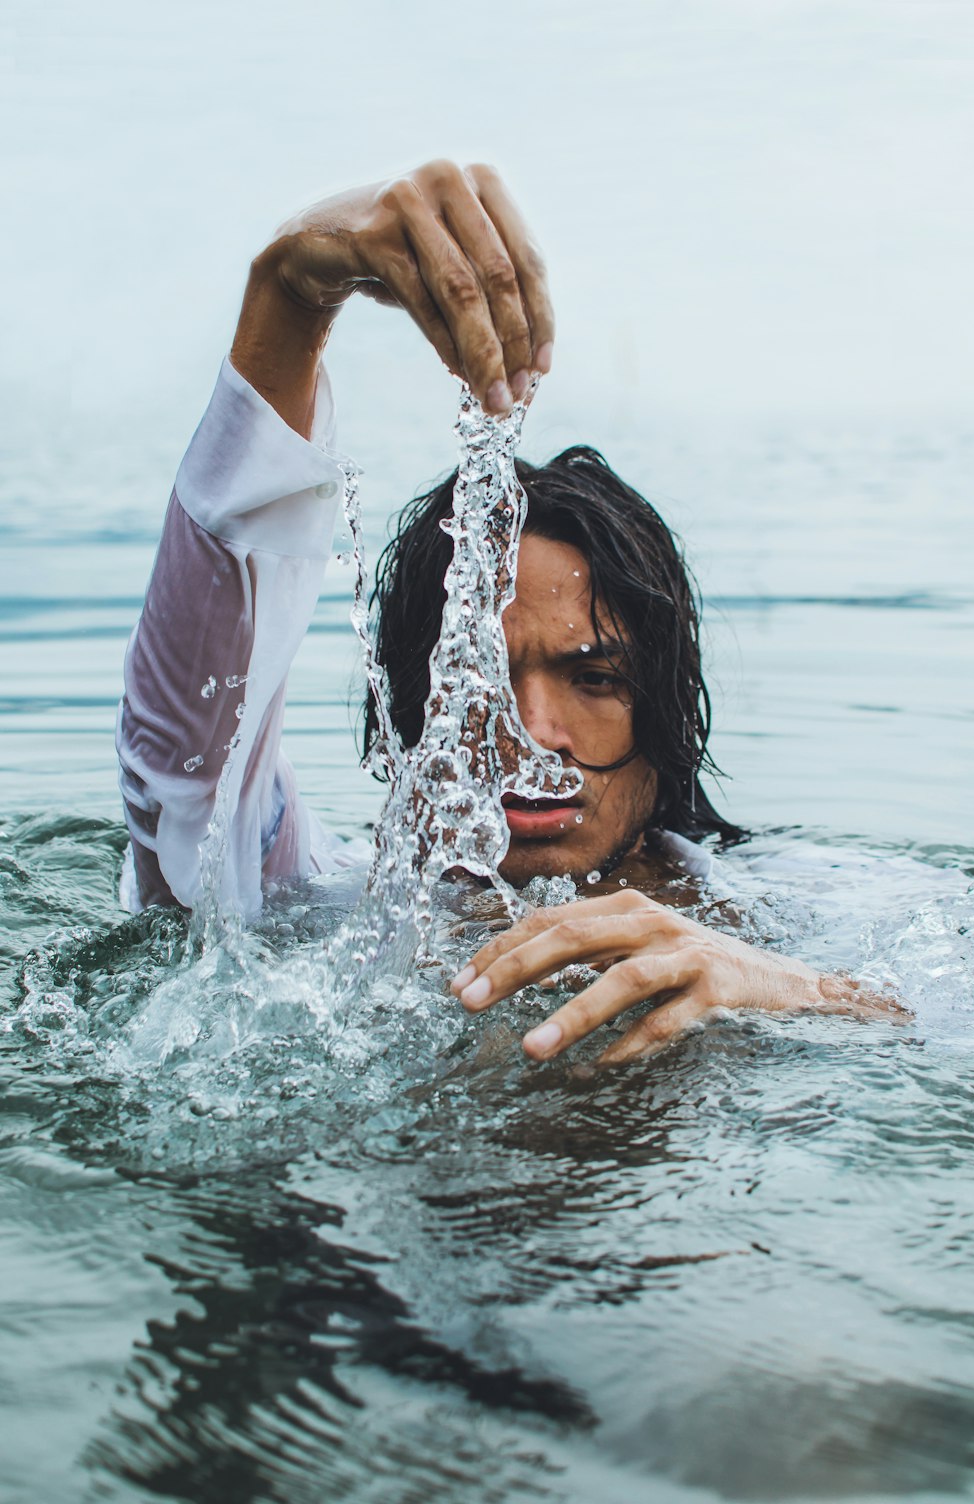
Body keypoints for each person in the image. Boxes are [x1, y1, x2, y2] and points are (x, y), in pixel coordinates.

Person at [117, 159, 893, 1067]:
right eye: (478, 677)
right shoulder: (317, 908)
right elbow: (188, 769)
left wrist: (789, 989)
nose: (532, 734)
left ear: (668, 715)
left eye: (594, 677)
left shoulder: (819, 912)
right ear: (412, 709)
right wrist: (289, 294)